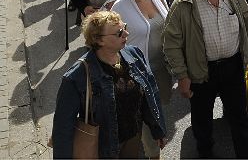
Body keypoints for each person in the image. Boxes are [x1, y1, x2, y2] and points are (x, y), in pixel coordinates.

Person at [162, 0, 248, 159]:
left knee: (240, 117)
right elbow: (172, 44)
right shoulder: (183, 4)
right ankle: (205, 153)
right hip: (201, 70)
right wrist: (182, 76)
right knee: (202, 119)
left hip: (233, 67)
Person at [51, 11, 166, 158]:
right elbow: (63, 128)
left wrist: (158, 129)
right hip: (102, 147)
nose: (126, 33)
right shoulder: (76, 76)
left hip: (133, 137)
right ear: (98, 40)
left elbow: (150, 95)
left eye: (124, 27)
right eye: (119, 33)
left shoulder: (134, 54)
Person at [111, 0, 173, 157]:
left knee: (160, 108)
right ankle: (153, 154)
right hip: (138, 71)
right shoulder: (119, 7)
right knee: (147, 115)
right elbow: (114, 39)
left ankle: (149, 144)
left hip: (163, 66)